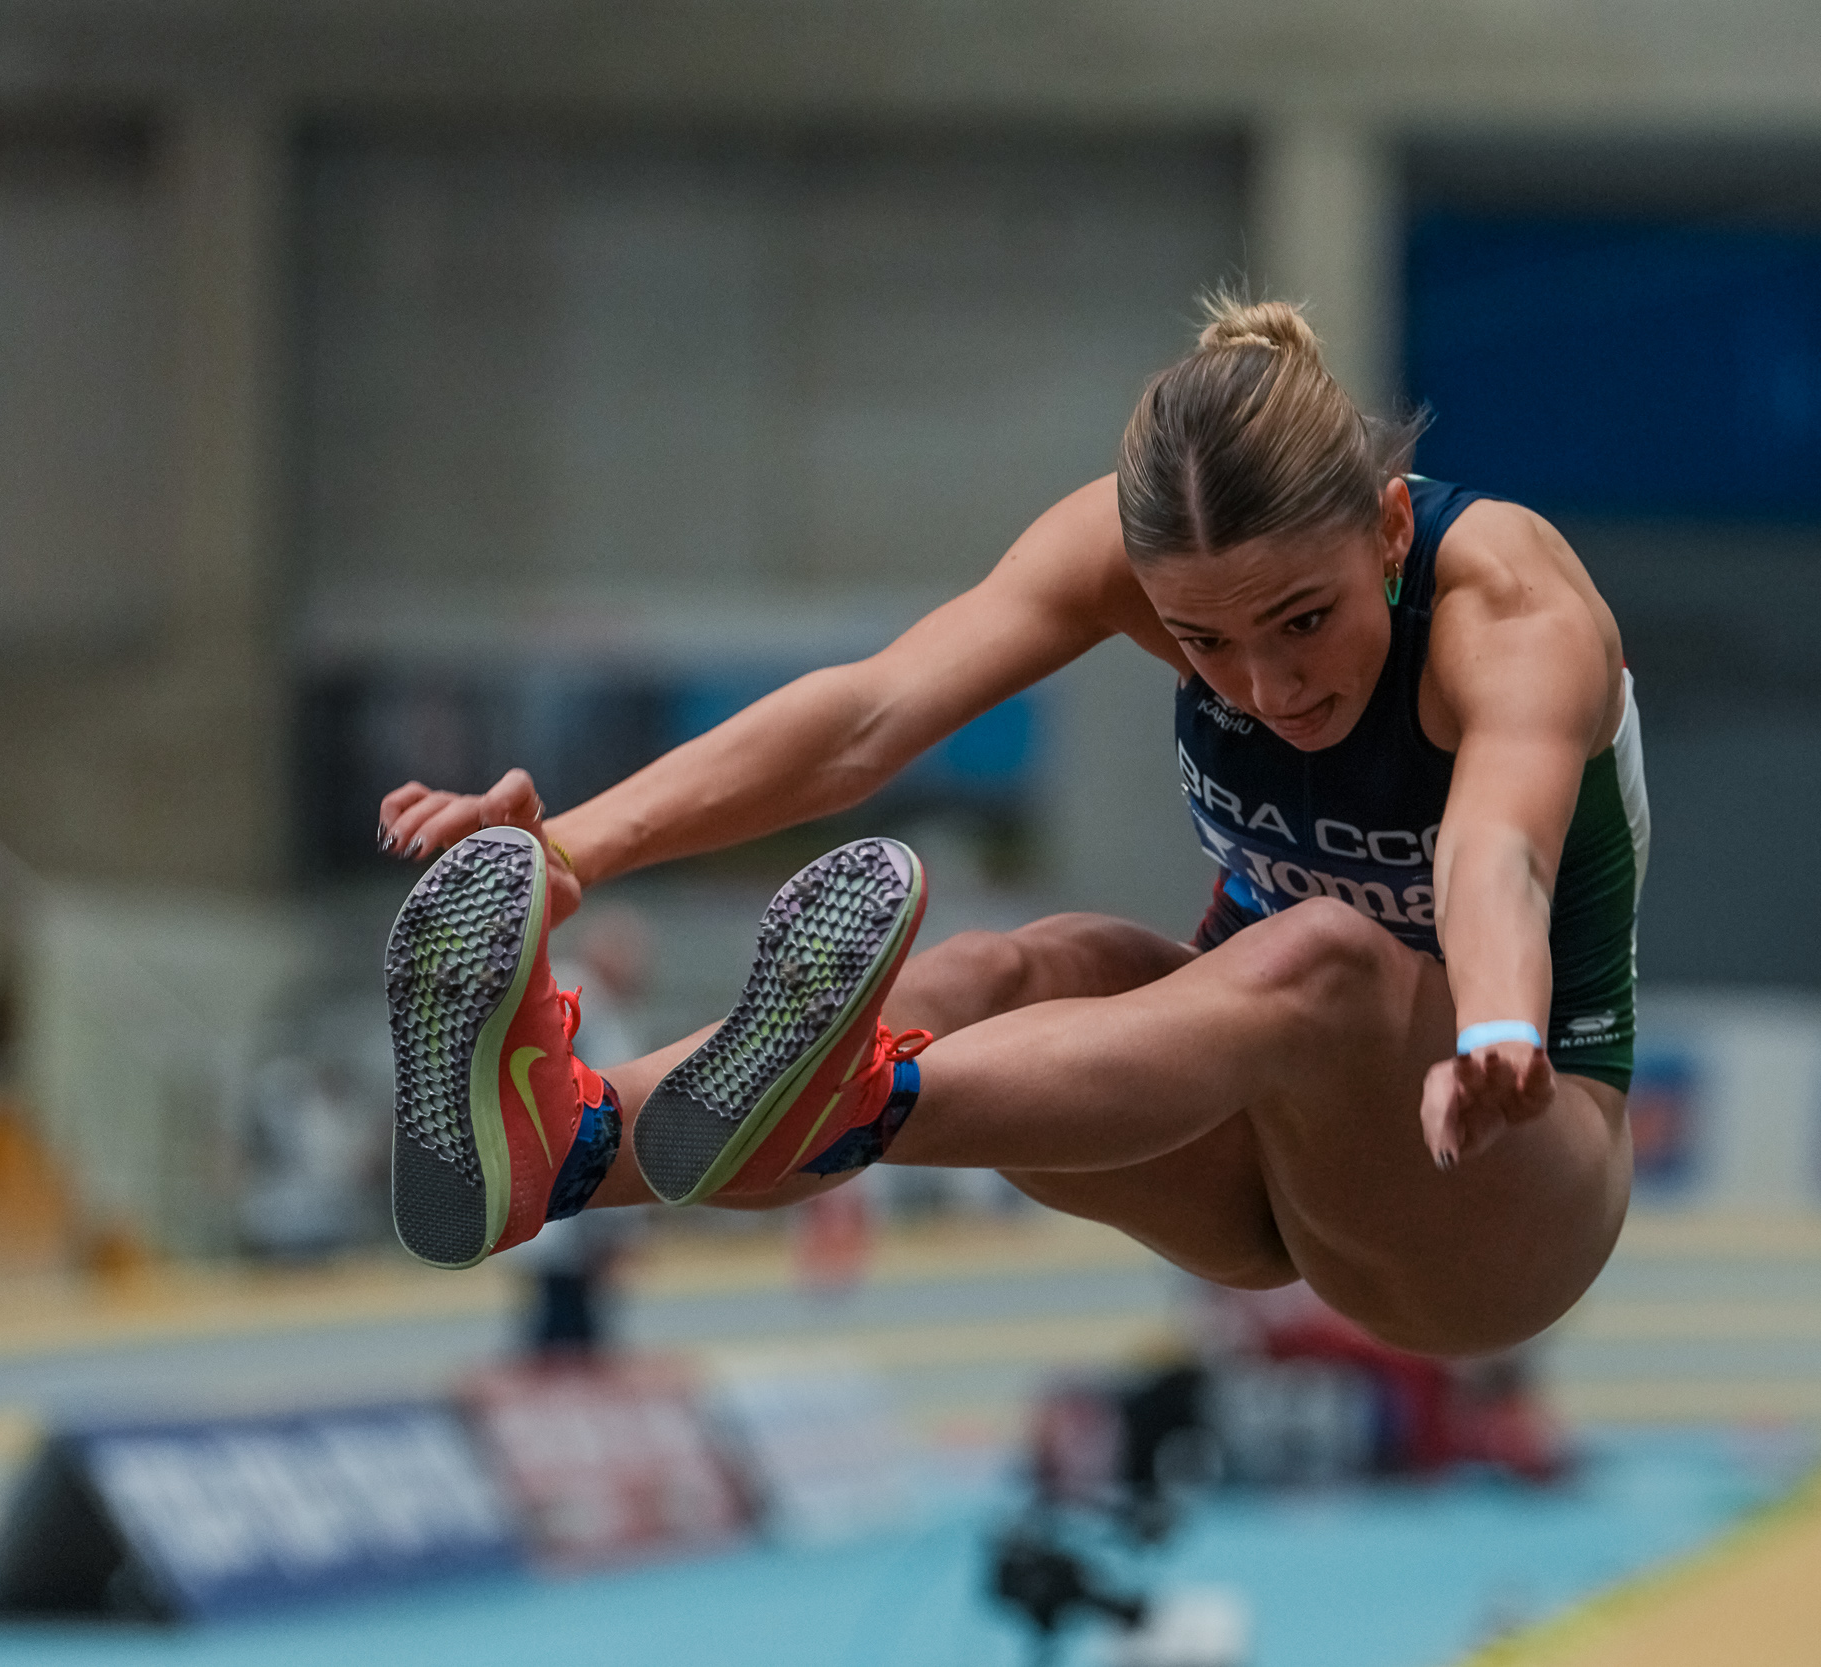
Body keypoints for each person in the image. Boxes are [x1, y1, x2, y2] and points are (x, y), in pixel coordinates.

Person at [377, 297, 1647, 1357]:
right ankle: (569, 1141)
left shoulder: (1507, 605)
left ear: (1385, 528)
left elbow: (1498, 850)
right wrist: (565, 849)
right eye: (1203, 642)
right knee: (1013, 966)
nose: (1268, 687)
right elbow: (869, 714)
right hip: (1231, 1144)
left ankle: (857, 1097)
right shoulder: (1129, 548)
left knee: (1323, 953)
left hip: (1495, 1182)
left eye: (1304, 622)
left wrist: (1494, 1022)